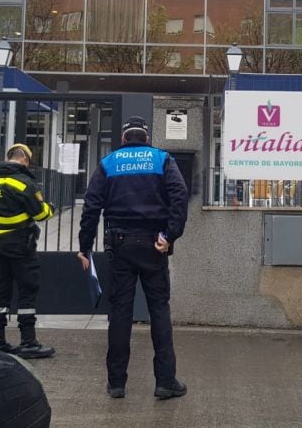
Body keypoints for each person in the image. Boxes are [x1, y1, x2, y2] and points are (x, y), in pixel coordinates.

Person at [77, 116, 189, 400]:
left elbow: (91, 206)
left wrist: (84, 246)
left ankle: (116, 383)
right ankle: (165, 381)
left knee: (120, 314)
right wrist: (170, 235)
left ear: (124, 139)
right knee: (159, 311)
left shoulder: (109, 163)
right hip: (154, 244)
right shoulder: (162, 159)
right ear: (147, 139)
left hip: (120, 245)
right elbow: (180, 196)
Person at [0, 143, 56, 359]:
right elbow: (41, 214)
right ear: (24, 159)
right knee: (27, 291)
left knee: (1, 291)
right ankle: (28, 341)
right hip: (22, 245)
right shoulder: (23, 183)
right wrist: (51, 208)